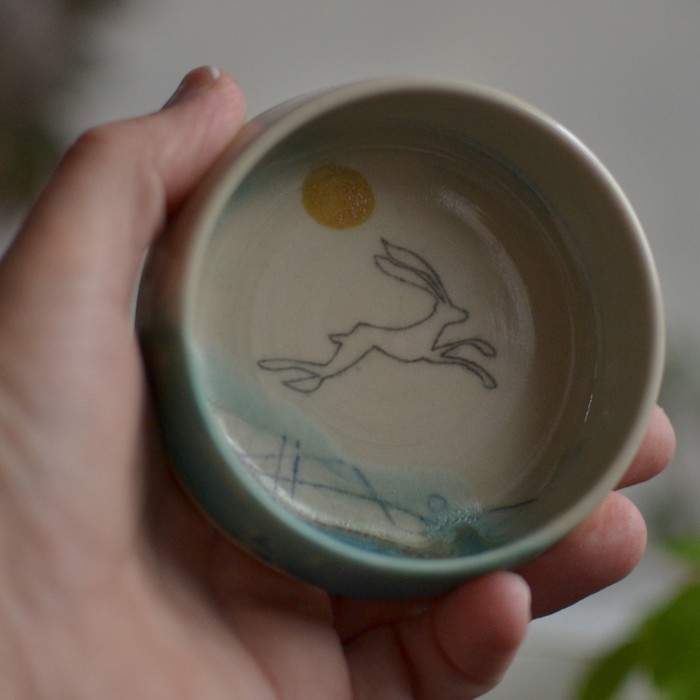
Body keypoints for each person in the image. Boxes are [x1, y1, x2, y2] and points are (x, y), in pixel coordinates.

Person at [0, 67, 675, 699]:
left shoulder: (442, 324)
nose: (456, 312)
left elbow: (442, 318)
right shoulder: (421, 321)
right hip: (143, 531)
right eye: (453, 311)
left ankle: (307, 374)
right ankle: (302, 373)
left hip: (270, 621)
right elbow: (429, 299)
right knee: (351, 364)